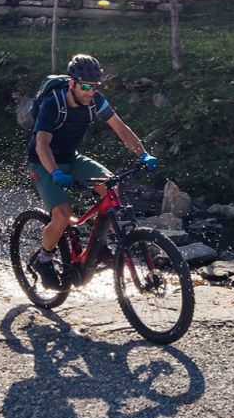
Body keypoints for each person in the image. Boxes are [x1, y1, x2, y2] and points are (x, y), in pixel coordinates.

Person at [24, 53, 157, 285]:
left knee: (111, 188)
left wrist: (142, 153)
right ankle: (44, 260)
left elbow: (120, 128)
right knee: (62, 213)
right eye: (85, 86)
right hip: (43, 162)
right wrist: (55, 172)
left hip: (72, 158)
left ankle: (98, 244)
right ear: (72, 83)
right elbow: (41, 144)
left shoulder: (96, 101)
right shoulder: (53, 103)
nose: (91, 91)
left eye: (95, 86)